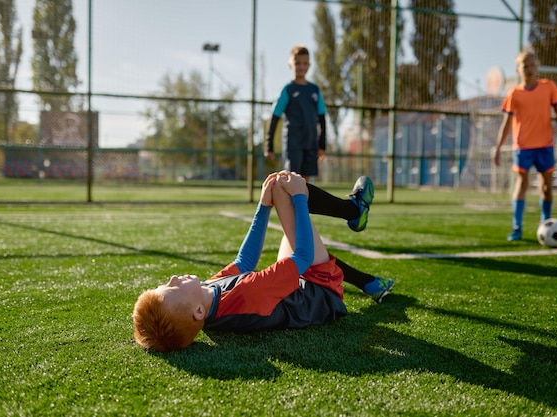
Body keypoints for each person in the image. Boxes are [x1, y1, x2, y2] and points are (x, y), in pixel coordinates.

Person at [133, 172, 394, 352]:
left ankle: (368, 282)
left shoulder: (206, 296)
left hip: (300, 289)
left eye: (165, 283)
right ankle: (354, 210)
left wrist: (263, 205)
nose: (173, 278)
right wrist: (301, 197)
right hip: (322, 293)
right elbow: (302, 257)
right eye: (173, 287)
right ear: (197, 312)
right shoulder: (246, 294)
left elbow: (244, 262)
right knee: (285, 186)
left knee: (284, 210)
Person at [494, 47, 557, 241]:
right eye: (524, 66)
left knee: (546, 186)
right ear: (517, 70)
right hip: (522, 146)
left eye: (532, 65)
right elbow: (506, 124)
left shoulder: (549, 87)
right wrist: (497, 147)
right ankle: (517, 226)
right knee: (522, 183)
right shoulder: (513, 94)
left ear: (537, 67)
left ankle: (545, 222)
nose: (529, 69)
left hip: (545, 145)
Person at [264, 45, 327, 182]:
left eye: (304, 63)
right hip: (294, 142)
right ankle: (290, 204)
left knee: (305, 182)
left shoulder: (314, 90)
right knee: (291, 180)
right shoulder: (287, 90)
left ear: (309, 65)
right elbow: (275, 117)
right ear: (290, 65)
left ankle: (302, 204)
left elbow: (322, 118)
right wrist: (269, 146)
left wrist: (322, 145)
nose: (301, 67)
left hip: (311, 142)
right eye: (297, 63)